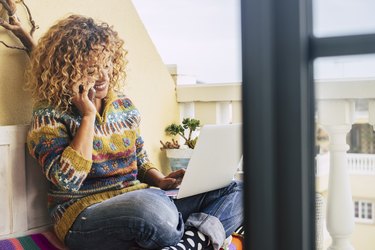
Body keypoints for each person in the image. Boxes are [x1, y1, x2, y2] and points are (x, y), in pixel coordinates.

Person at [26, 14, 243, 250]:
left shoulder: (123, 105)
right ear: (68, 70)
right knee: (151, 209)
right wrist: (87, 116)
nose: (103, 76)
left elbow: (139, 159)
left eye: (107, 65)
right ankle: (204, 235)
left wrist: (160, 180)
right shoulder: (49, 114)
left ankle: (191, 243)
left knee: (237, 189)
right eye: (91, 69)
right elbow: (67, 181)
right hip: (84, 216)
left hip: (143, 200)